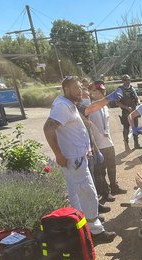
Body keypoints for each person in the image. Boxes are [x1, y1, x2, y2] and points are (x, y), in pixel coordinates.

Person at [42, 76, 116, 244]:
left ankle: (83, 225)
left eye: (80, 88)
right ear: (66, 89)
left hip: (75, 158)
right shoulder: (62, 106)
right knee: (88, 192)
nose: (80, 92)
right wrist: (58, 154)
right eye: (76, 89)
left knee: (76, 193)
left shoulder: (68, 104)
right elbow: (48, 128)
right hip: (73, 159)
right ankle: (96, 230)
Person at [87, 81, 126, 201]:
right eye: (99, 91)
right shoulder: (90, 108)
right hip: (98, 144)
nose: (102, 92)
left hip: (108, 142)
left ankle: (114, 186)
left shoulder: (105, 107)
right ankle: (105, 191)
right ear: (92, 93)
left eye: (103, 90)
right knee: (101, 171)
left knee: (112, 167)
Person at [114, 74, 141, 151]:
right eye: (125, 80)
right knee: (126, 129)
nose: (127, 81)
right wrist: (126, 107)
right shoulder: (120, 89)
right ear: (123, 81)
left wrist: (138, 102)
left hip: (134, 111)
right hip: (126, 112)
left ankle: (136, 144)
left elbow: (136, 98)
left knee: (135, 128)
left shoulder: (132, 88)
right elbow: (117, 102)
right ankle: (126, 145)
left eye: (129, 80)